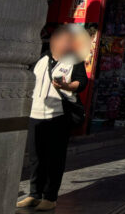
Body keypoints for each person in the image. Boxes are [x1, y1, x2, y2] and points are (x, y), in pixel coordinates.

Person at [17, 26, 89, 211]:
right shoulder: (41, 58)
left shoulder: (74, 60)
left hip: (58, 115)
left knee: (55, 158)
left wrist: (67, 86)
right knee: (36, 157)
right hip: (35, 114)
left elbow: (82, 82)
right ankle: (34, 194)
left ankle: (50, 197)